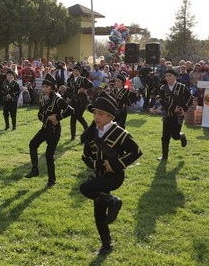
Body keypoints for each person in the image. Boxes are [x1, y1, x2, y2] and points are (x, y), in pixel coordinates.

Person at [79, 93, 142, 255]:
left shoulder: (120, 133)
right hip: (100, 175)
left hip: (114, 176)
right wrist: (97, 164)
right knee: (99, 213)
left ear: (110, 116)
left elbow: (136, 151)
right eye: (94, 113)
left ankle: (114, 202)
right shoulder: (91, 133)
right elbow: (85, 157)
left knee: (85, 188)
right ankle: (106, 245)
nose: (96, 116)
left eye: (100, 114)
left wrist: (112, 164)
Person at [24, 74, 74, 187]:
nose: (44, 89)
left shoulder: (57, 98)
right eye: (43, 86)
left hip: (54, 130)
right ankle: (35, 169)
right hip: (45, 128)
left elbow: (70, 110)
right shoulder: (43, 97)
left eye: (47, 87)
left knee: (49, 155)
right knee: (33, 144)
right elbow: (39, 114)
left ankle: (52, 180)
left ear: (52, 87)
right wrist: (48, 118)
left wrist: (58, 117)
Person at [158, 69, 192, 161]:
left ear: (175, 77)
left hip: (178, 116)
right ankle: (164, 156)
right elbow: (162, 101)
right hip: (167, 115)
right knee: (165, 137)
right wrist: (173, 108)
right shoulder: (163, 88)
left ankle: (181, 136)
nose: (167, 77)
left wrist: (184, 108)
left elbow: (190, 98)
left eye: (170, 75)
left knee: (175, 136)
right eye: (166, 76)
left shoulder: (182, 87)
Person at [65, 63, 92, 140]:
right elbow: (68, 90)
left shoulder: (83, 79)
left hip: (82, 101)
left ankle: (87, 130)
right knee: (73, 117)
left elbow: (91, 85)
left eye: (77, 71)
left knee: (79, 116)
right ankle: (73, 135)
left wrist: (84, 89)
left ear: (80, 72)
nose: (75, 72)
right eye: (74, 71)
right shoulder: (70, 80)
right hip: (74, 101)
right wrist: (68, 96)